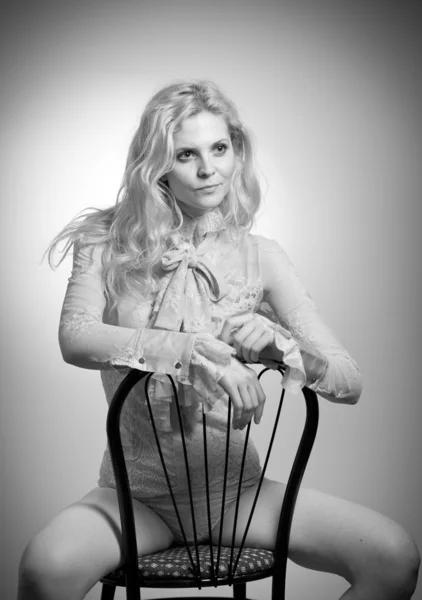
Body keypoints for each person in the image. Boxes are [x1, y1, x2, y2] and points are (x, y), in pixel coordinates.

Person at [18, 80, 419, 600]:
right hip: (137, 501)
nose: (208, 170)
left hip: (239, 496)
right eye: (186, 154)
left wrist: (284, 350)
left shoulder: (262, 255)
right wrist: (191, 351)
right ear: (158, 163)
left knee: (393, 557)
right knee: (44, 569)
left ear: (236, 152)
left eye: (219, 149)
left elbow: (349, 381)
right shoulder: (104, 242)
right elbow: (75, 338)